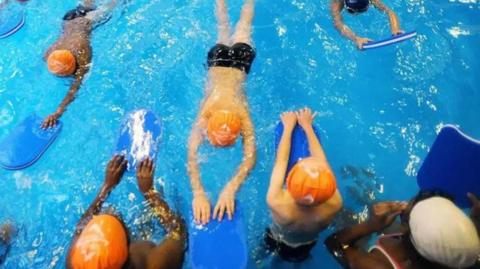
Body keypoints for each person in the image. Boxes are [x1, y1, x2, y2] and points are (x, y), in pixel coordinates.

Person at [187, 0, 256, 225]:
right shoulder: (238, 114)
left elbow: (192, 153)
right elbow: (250, 157)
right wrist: (229, 188)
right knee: (226, 26)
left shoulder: (210, 111)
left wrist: (199, 191)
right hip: (219, 62)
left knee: (236, 24)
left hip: (240, 63)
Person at [66, 156, 187, 269]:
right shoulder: (153, 262)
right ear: (128, 243)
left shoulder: (76, 262)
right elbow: (179, 232)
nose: (112, 212)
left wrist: (106, 187)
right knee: (147, 223)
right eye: (119, 221)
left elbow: (80, 227)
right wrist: (149, 192)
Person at [265, 108, 343, 262]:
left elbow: (281, 160)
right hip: (308, 243)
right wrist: (308, 127)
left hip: (278, 238)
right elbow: (322, 161)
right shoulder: (335, 202)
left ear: (288, 182)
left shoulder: (276, 201)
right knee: (300, 259)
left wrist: (287, 128)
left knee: (270, 253)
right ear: (329, 187)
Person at [325, 191, 480, 269]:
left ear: (407, 228)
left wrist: (370, 225)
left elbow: (334, 245)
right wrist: (475, 222)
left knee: (345, 217)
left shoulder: (374, 265)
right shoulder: (466, 255)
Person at [41, 0, 116, 129]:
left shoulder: (82, 53)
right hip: (68, 19)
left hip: (86, 20)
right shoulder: (49, 54)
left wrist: (58, 112)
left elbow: (74, 88)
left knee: (115, 4)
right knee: (85, 5)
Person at [331, 0, 403, 49]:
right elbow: (338, 23)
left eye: (363, 10)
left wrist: (395, 29)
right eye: (351, 11)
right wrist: (356, 39)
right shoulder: (336, 2)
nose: (357, 14)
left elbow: (389, 12)